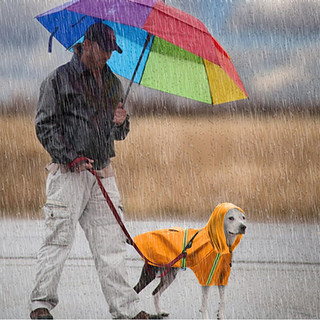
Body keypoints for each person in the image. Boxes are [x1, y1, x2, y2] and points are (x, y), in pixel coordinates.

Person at [29, 23, 153, 319]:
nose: (109, 56)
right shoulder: (58, 79)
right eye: (106, 49)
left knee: (111, 246)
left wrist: (121, 122)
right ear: (89, 45)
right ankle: (40, 306)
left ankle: (127, 310)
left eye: (113, 51)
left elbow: (118, 134)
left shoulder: (113, 83)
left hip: (103, 174)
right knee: (58, 240)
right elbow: (44, 125)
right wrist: (71, 157)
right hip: (68, 174)